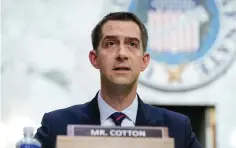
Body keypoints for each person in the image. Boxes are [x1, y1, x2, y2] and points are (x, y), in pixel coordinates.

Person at [34, 11, 202, 148]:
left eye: (132, 44)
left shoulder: (177, 129)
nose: (122, 54)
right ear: (94, 59)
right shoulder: (56, 126)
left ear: (144, 61)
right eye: (111, 44)